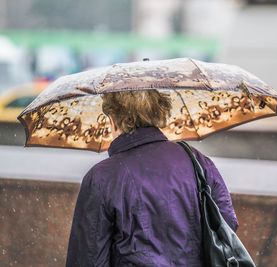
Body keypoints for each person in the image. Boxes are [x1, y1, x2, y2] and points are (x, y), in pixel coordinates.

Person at [66, 90, 239, 266]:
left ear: (112, 120)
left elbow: (87, 257)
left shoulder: (102, 177)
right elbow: (226, 224)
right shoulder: (197, 161)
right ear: (158, 113)